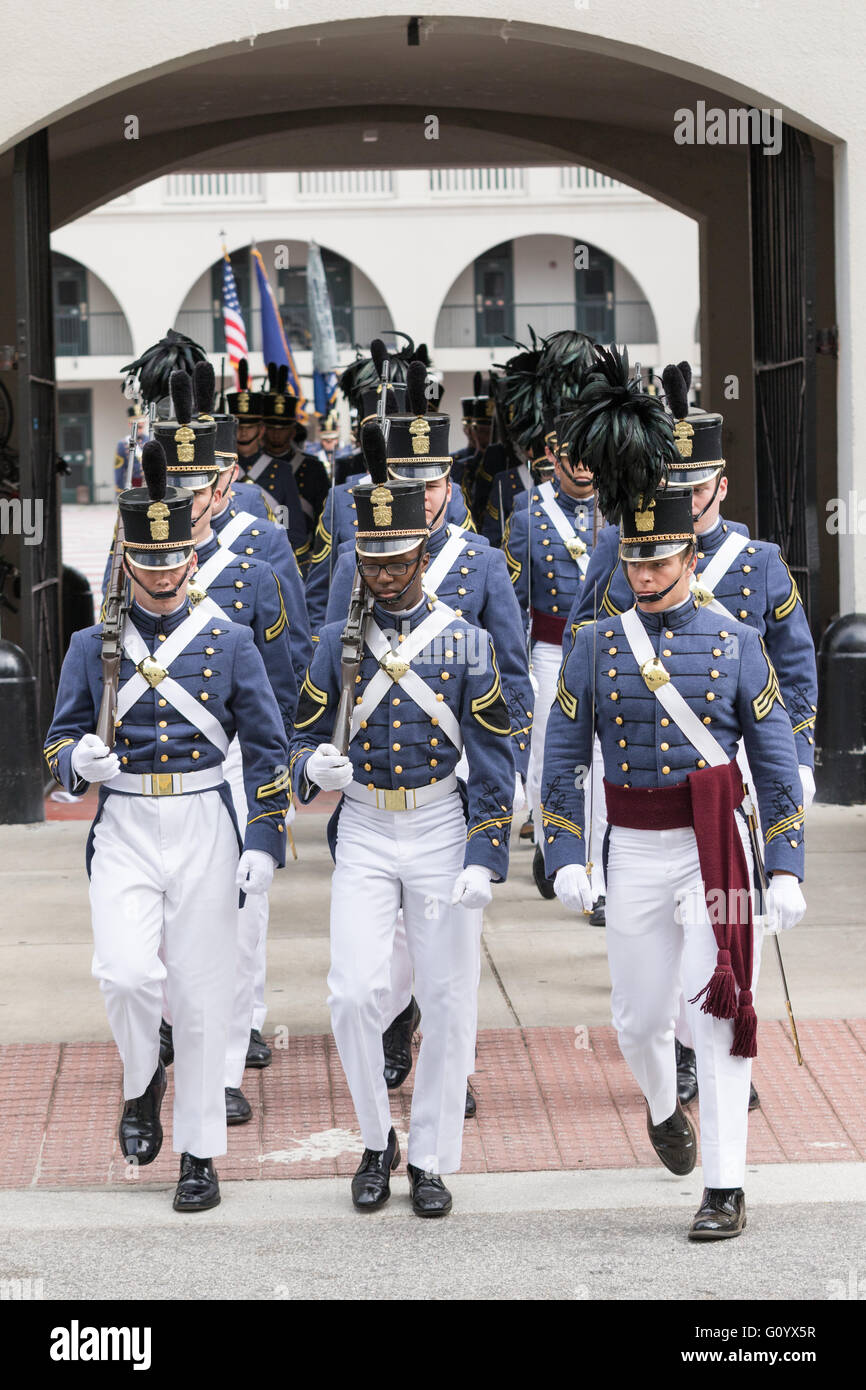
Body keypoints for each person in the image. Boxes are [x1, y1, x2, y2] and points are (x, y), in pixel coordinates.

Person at [541, 346, 806, 1240]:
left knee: (719, 1010)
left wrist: (789, 865)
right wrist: (566, 853)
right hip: (638, 849)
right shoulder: (593, 644)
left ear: (692, 551)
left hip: (717, 848)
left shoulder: (736, 642)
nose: (647, 576)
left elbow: (771, 761)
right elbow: (562, 757)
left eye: (662, 561)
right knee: (639, 1018)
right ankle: (662, 1108)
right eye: (636, 563)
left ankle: (726, 1185)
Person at [44, 438, 290, 1212]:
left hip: (201, 819)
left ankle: (199, 1154)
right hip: (123, 822)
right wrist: (77, 760)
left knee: (204, 988)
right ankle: (142, 1077)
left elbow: (270, 749)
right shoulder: (92, 646)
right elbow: (56, 742)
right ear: (127, 563)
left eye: (170, 563)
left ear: (190, 556)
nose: (158, 579)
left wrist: (264, 838)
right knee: (124, 973)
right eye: (144, 567)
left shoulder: (231, 642)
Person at [289, 423, 515, 1216]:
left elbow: (493, 758)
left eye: (396, 559)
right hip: (363, 830)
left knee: (450, 999)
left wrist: (488, 852)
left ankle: (430, 1158)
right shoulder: (334, 644)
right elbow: (301, 734)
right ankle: (375, 1139)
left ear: (424, 552)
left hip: (439, 827)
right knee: (352, 992)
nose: (382, 575)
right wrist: (309, 768)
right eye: (370, 561)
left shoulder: (469, 645)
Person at [324, 362, 534, 1113]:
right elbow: (334, 650)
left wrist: (503, 775)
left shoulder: (478, 562)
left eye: (436, 480)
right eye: (410, 478)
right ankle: (395, 1027)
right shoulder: (359, 557)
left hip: (451, 774)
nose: (426, 492)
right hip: (379, 783)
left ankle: (447, 1072)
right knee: (380, 954)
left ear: (451, 483)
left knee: (447, 954)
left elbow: (508, 668)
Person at [150, 369, 299, 1125]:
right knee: (171, 918)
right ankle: (183, 1026)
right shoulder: (145, 548)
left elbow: (288, 659)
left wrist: (282, 763)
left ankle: (233, 1054)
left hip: (238, 758)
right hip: (165, 766)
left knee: (243, 912)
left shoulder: (262, 544)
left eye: (198, 480)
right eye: (173, 481)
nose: (184, 495)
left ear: (226, 478)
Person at [503, 413, 602, 903]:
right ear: (554, 461)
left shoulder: (620, 515)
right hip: (550, 649)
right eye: (572, 458)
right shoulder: (528, 519)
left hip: (605, 651)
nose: (582, 468)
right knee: (546, 752)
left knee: (604, 758)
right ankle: (550, 841)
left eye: (589, 458)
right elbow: (514, 601)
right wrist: (518, 669)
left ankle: (599, 866)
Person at [226, 358, 307, 556]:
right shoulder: (224, 470)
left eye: (249, 427)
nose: (243, 433)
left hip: (269, 555)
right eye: (239, 427)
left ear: (260, 430)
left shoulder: (281, 470)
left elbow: (293, 527)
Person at [259, 361, 331, 545]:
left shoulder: (312, 468)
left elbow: (322, 514)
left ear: (292, 430)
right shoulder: (252, 464)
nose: (276, 433)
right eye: (271, 427)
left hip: (302, 548)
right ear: (263, 429)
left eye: (282, 428)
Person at [114, 411, 148, 493]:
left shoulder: (150, 440)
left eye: (141, 426)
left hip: (149, 484)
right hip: (134, 484)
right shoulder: (123, 444)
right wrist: (120, 490)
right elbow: (119, 470)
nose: (140, 430)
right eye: (138, 427)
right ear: (130, 425)